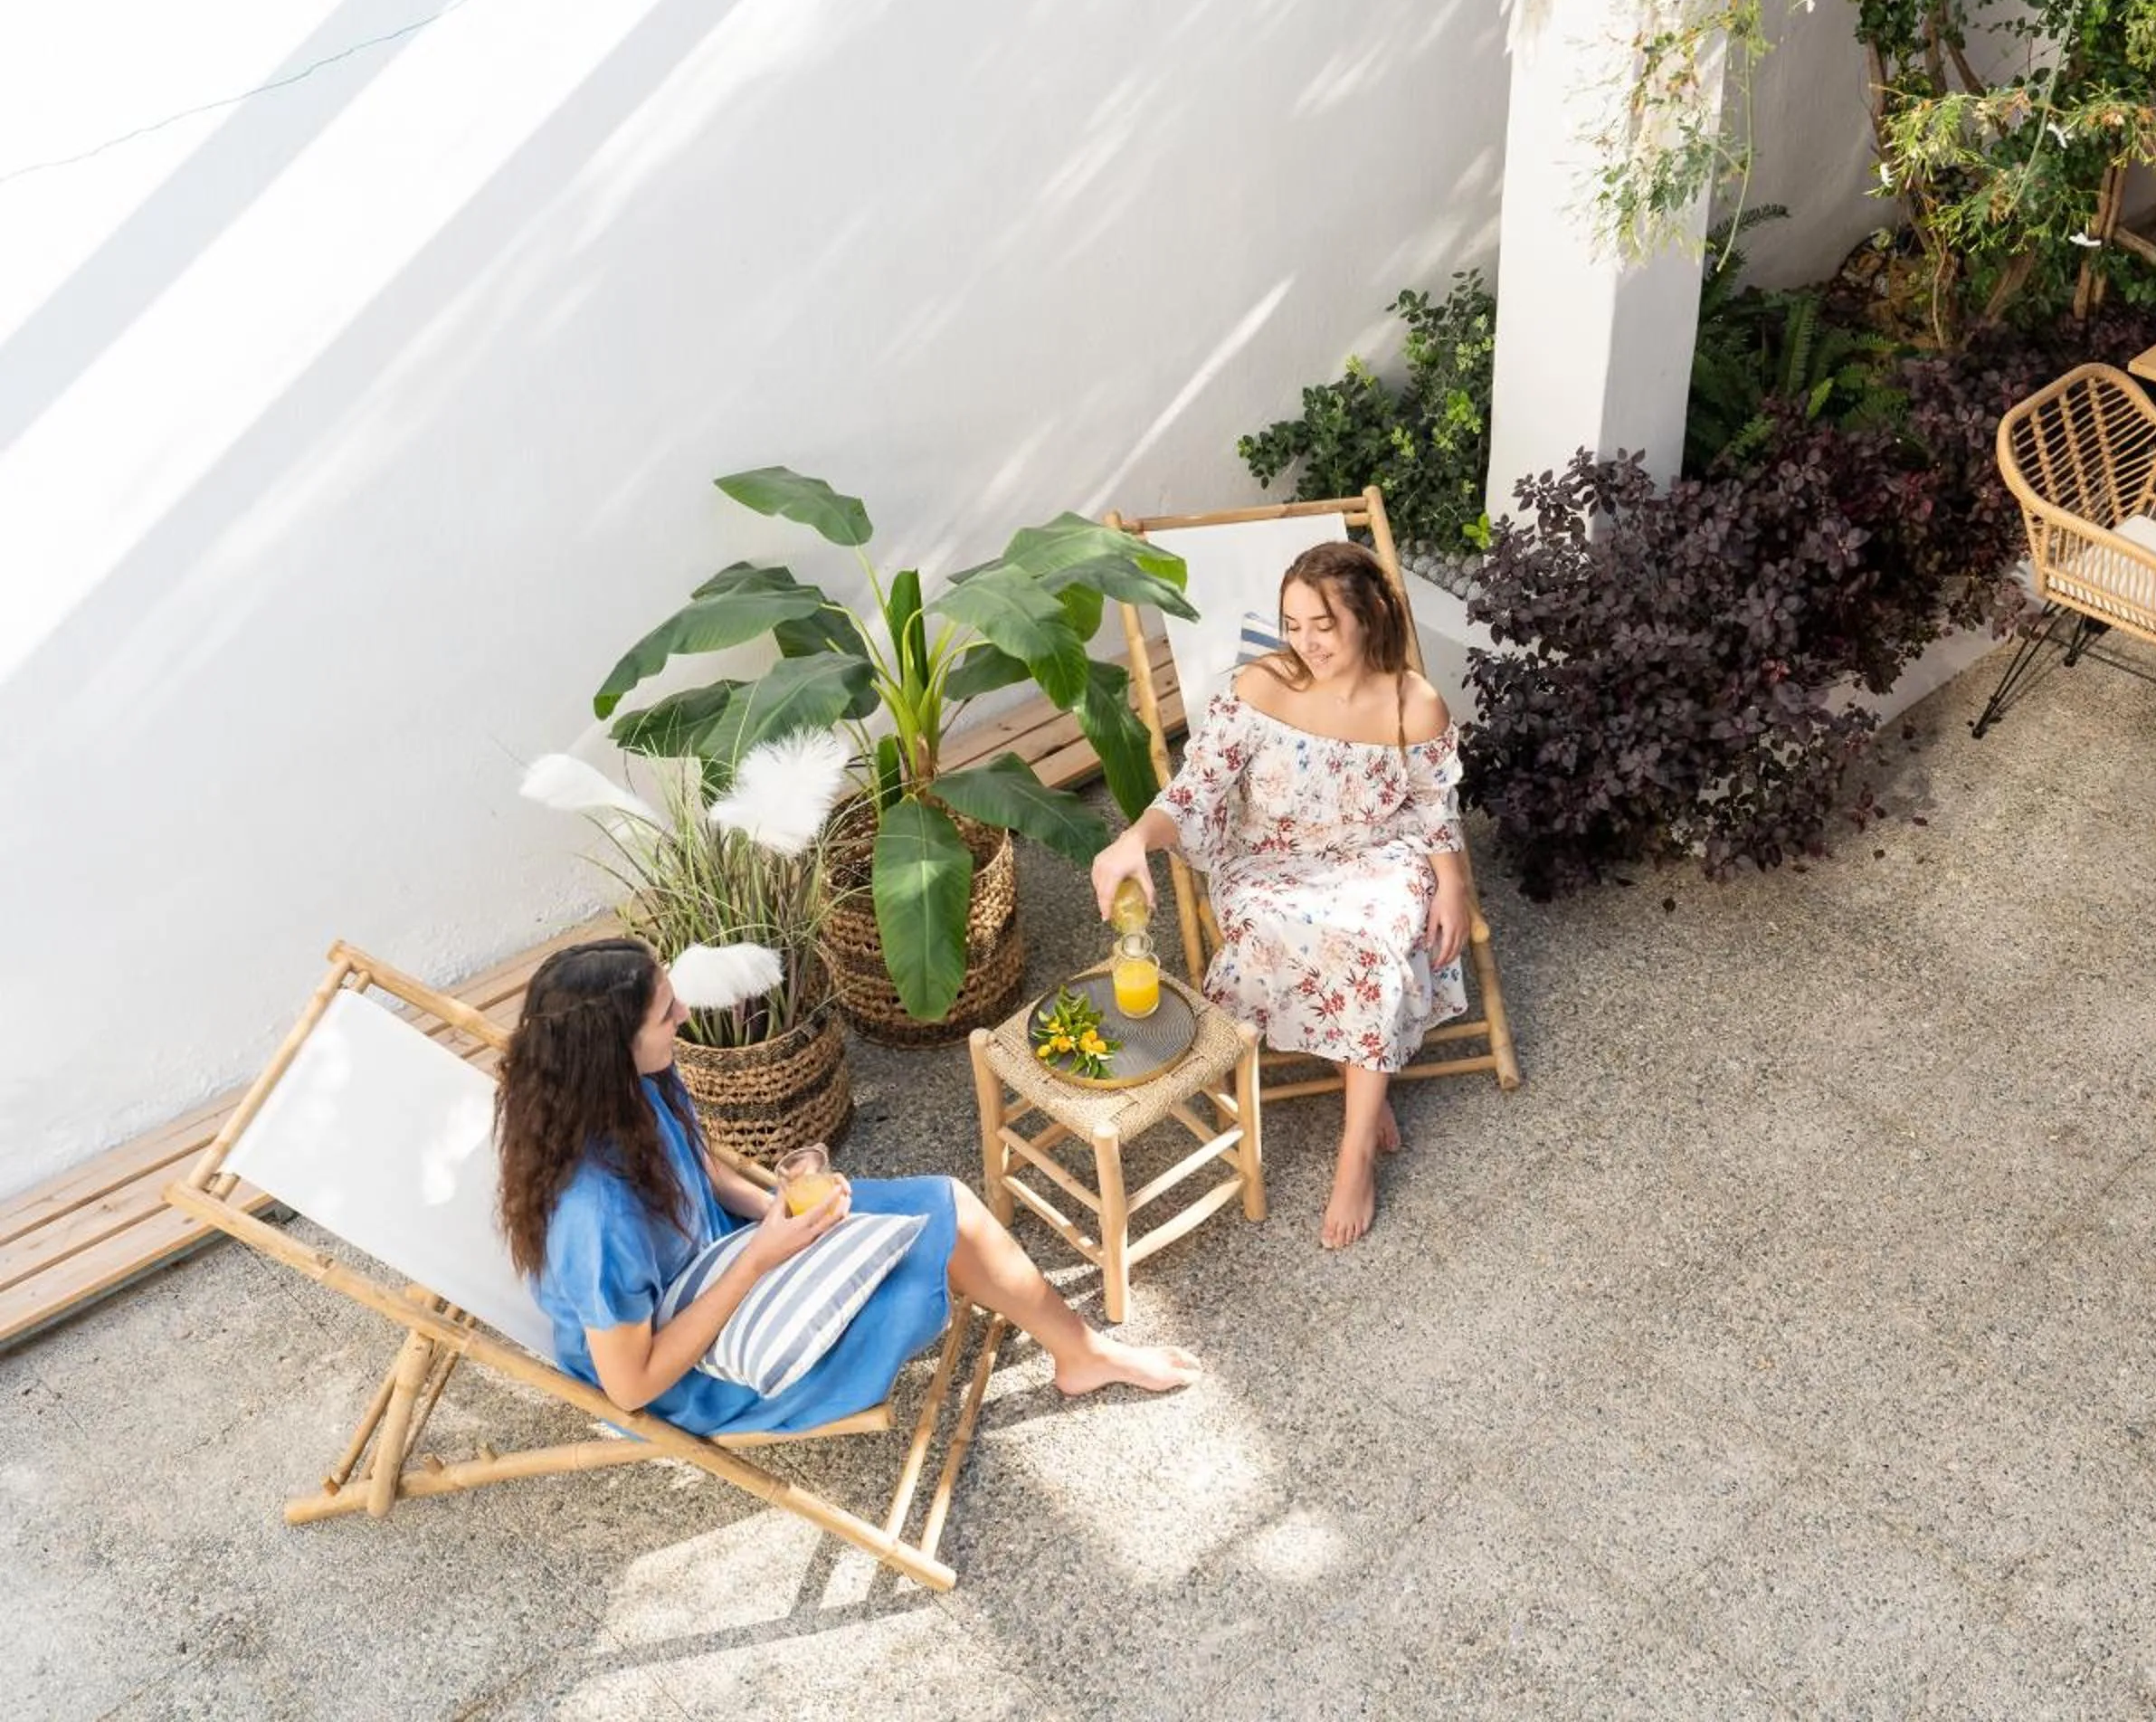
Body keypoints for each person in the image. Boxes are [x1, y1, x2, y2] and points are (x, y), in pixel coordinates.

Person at [493, 937, 1199, 1432]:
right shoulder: (597, 1217)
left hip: (721, 1260)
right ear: (608, 1049)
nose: (683, 1017)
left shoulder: (633, 1083)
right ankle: (1078, 1349)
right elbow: (631, 1385)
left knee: (943, 1203)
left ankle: (1081, 1354)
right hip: (691, 1373)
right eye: (664, 1015)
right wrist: (763, 1257)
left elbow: (703, 1170)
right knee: (923, 1252)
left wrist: (775, 1210)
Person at [1091, 539, 1469, 1251]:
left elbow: (1432, 809)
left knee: (1369, 938)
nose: (1305, 642)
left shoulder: (1412, 704)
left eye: (1322, 625)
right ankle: (1365, 1065)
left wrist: (1452, 885)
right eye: (1293, 624)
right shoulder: (1263, 686)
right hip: (1269, 858)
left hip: (1377, 856)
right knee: (1283, 928)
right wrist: (1135, 838)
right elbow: (1195, 790)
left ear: (1369, 615)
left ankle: (1354, 1151)